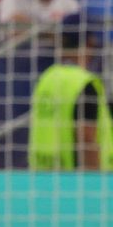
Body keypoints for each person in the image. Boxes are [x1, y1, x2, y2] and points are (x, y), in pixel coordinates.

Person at [29, 20, 113, 170]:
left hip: (43, 176)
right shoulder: (84, 83)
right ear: (90, 44)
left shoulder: (47, 77)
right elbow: (86, 138)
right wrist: (95, 183)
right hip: (75, 182)